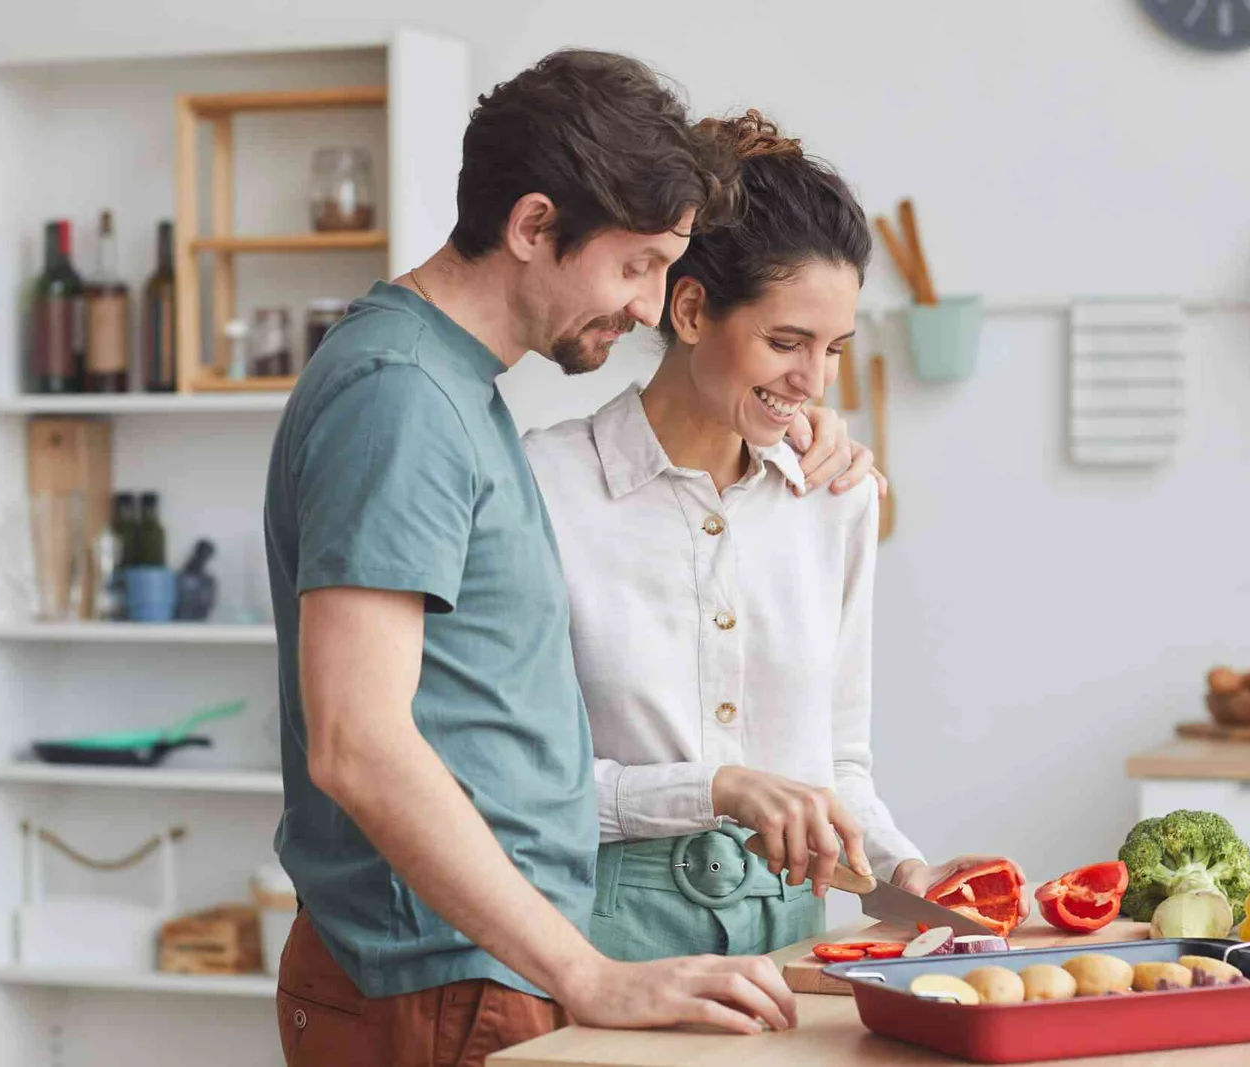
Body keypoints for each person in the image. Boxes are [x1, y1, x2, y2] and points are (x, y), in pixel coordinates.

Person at [263, 52, 880, 1067]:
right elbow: (356, 743)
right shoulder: (399, 397)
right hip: (437, 973)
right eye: (636, 266)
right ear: (533, 225)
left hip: (477, 967)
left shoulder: (449, 390)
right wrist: (586, 971)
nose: (647, 307)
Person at [521, 112, 1027, 962]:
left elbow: (839, 764)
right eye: (786, 342)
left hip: (793, 938)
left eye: (834, 349)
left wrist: (906, 869)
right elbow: (515, 785)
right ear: (690, 309)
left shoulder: (836, 496)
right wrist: (712, 789)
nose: (813, 380)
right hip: (595, 937)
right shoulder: (542, 486)